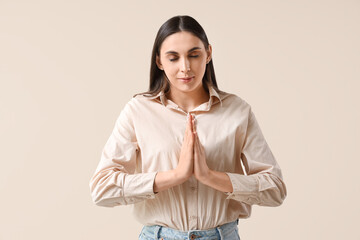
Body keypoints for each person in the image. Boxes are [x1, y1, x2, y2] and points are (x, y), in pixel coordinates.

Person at [89, 15, 287, 240]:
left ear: (208, 54)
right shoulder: (138, 111)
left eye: (194, 55)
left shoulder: (237, 111)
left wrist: (211, 176)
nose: (185, 67)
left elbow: (275, 190)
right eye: (173, 58)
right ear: (159, 62)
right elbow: (101, 189)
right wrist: (174, 176)